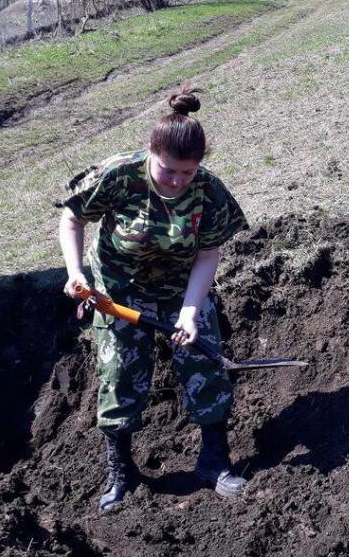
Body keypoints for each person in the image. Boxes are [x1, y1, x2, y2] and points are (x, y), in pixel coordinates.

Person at [58, 84, 249, 512]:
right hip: (118, 293)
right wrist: (76, 274)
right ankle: (121, 471)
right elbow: (72, 219)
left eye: (187, 173)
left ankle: (214, 462)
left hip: (181, 289)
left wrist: (190, 312)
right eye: (168, 171)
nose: (178, 182)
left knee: (206, 362)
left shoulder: (209, 191)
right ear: (150, 152)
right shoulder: (118, 175)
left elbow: (208, 254)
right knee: (119, 373)